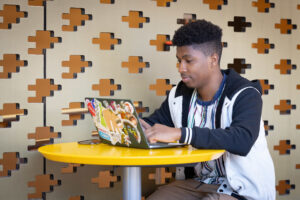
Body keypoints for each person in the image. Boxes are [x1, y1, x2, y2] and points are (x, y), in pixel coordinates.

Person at [140, 19, 275, 200]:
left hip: (241, 190)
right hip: (199, 183)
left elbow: (242, 139)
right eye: (179, 61)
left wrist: (182, 134)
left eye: (188, 61)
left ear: (213, 59)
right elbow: (155, 124)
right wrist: (130, 125)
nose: (181, 68)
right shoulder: (179, 95)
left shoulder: (246, 94)